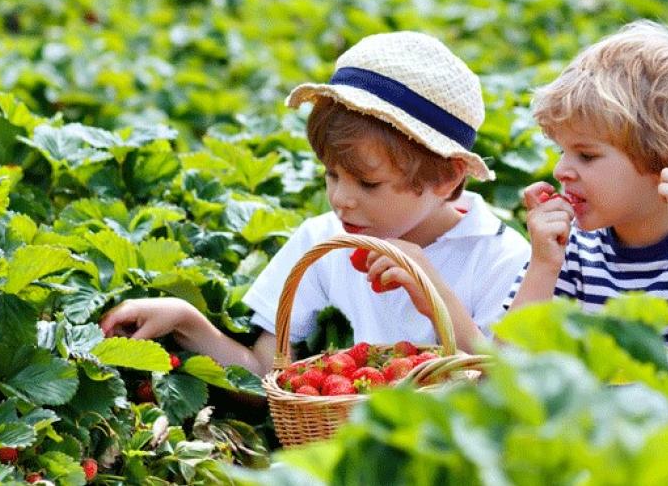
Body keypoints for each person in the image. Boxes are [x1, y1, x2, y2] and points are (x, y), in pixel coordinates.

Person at [100, 32, 530, 374]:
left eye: (368, 183)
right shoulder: (322, 241)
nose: (342, 200)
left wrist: (434, 295)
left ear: (447, 176)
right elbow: (262, 371)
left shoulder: (500, 259)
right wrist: (184, 319)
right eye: (332, 174)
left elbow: (504, 393)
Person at [505, 20, 668, 348]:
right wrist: (544, 266)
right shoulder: (574, 246)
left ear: (665, 163)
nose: (561, 170)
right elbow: (502, 368)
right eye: (563, 151)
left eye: (586, 155)